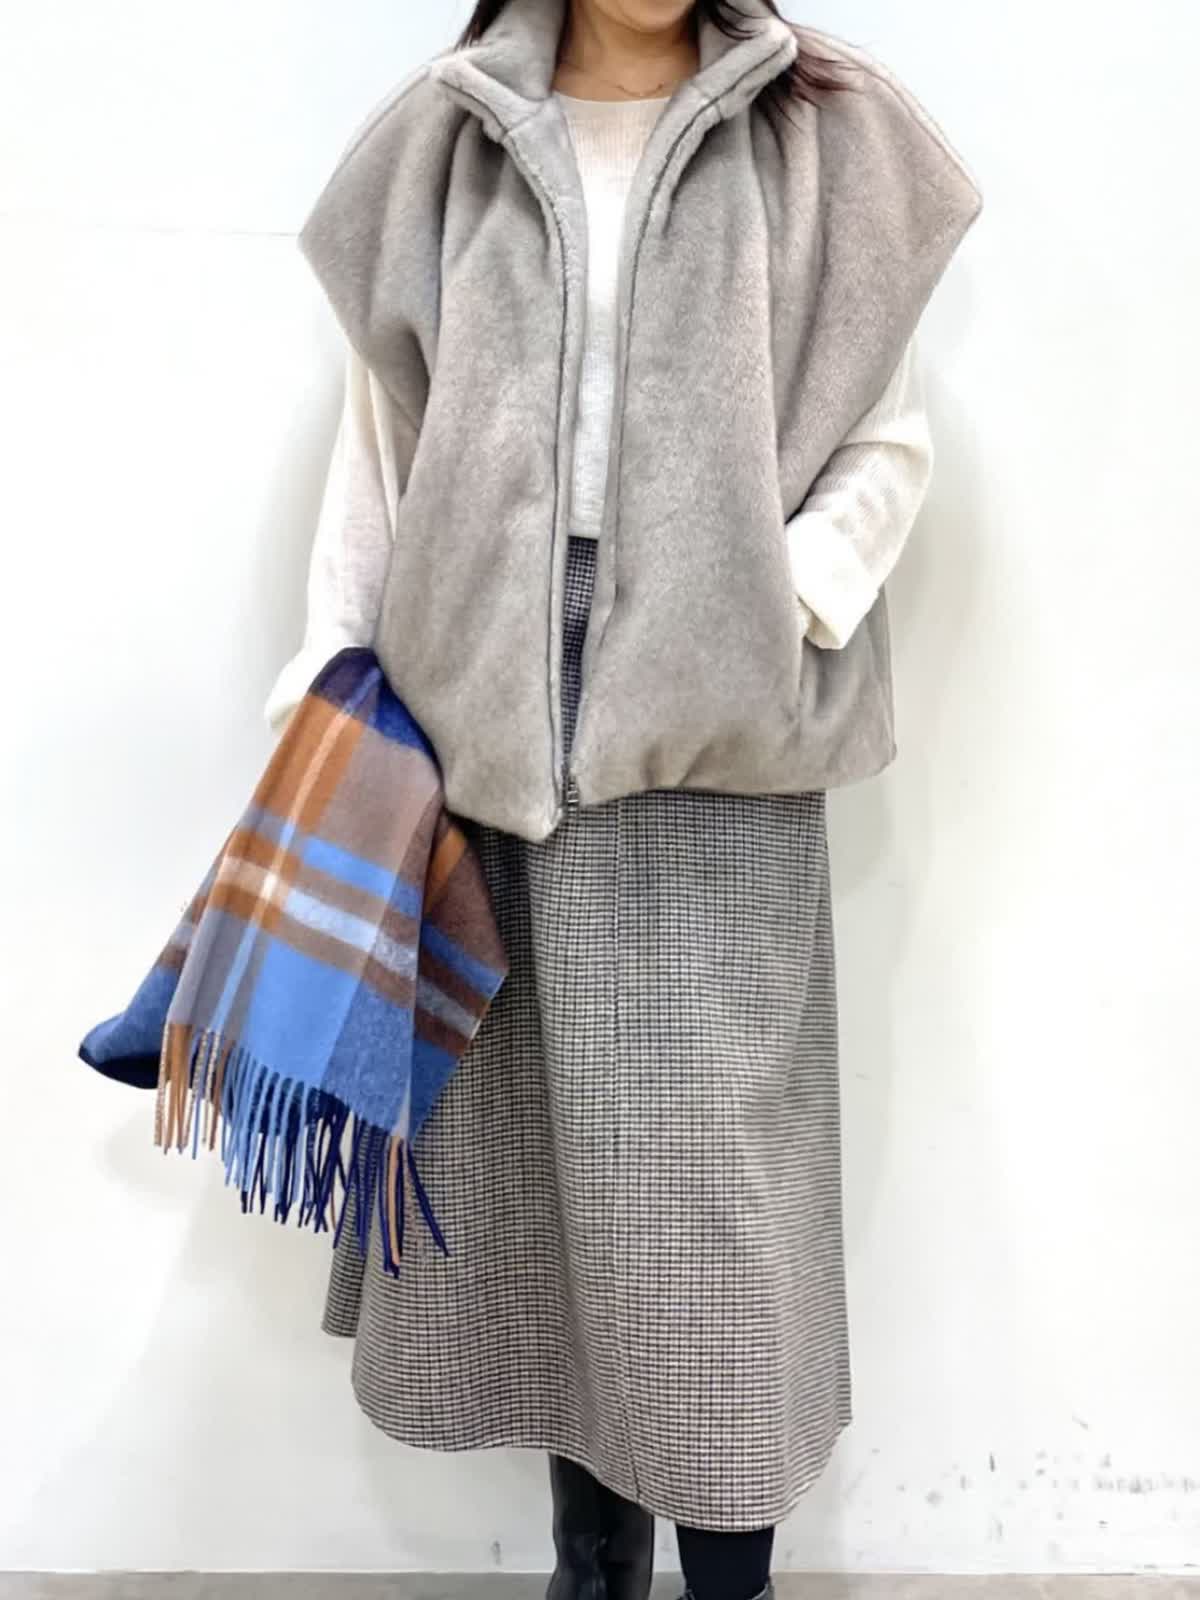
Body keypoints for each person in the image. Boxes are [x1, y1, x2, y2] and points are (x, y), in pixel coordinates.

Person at [264, 2, 983, 1596]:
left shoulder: (821, 141)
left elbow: (887, 441)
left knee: (705, 1202)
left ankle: (731, 1578)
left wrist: (773, 608)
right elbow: (381, 448)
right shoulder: (449, 138)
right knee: (542, 1187)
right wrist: (330, 677)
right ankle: (592, 1572)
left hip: (716, 730)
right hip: (482, 721)